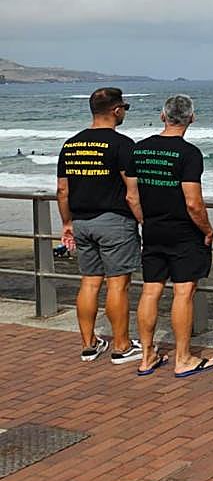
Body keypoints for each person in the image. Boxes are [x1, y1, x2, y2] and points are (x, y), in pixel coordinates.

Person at [130, 95, 213, 377]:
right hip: (183, 232)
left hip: (153, 229)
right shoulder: (189, 153)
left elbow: (132, 196)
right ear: (192, 118)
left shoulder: (139, 150)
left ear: (162, 116)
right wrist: (207, 229)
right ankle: (183, 358)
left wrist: (146, 220)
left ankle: (146, 356)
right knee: (183, 292)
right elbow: (193, 202)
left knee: (150, 290)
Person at [57, 87, 143, 364]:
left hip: (81, 221)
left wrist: (67, 222)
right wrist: (143, 219)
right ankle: (121, 345)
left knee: (90, 283)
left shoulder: (71, 144)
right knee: (118, 284)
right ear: (116, 110)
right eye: (124, 109)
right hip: (115, 221)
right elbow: (132, 192)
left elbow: (62, 190)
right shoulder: (122, 144)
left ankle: (89, 343)